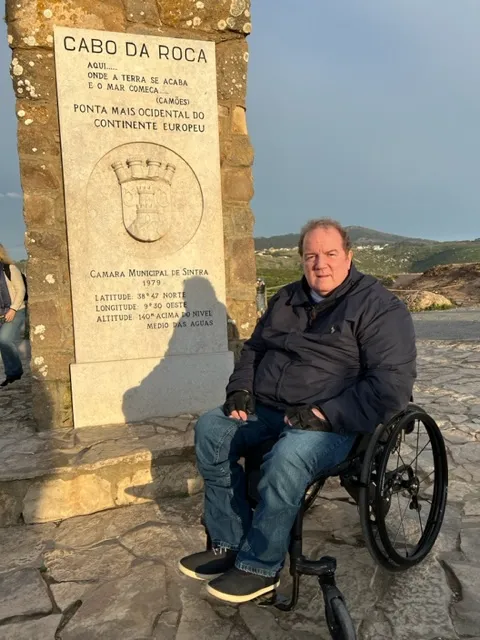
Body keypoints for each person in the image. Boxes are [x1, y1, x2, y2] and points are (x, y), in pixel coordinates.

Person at [178, 218, 416, 604]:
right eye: (311, 256)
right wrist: (240, 388)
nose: (320, 264)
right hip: (271, 408)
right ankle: (228, 542)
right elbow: (254, 350)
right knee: (210, 428)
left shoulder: (380, 309)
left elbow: (392, 384)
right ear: (302, 260)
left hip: (336, 421)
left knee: (287, 458)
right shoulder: (287, 299)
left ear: (349, 256)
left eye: (330, 254)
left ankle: (260, 566)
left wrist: (326, 413)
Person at [0, 244, 26, 387]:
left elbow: (20, 290)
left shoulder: (10, 269)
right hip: (0, 314)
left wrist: (13, 309)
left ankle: (15, 372)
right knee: (2, 342)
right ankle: (11, 373)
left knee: (4, 339)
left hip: (15, 310)